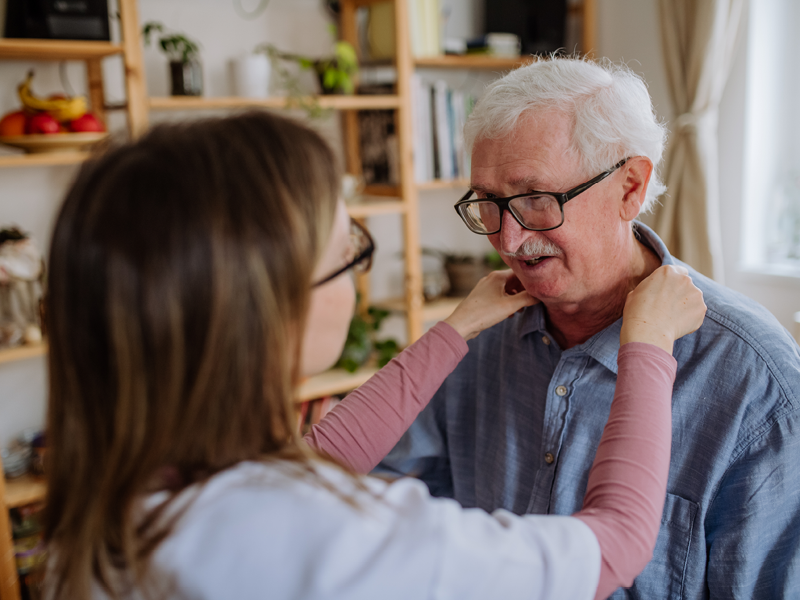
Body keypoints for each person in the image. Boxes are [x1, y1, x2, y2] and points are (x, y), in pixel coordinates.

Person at [42, 111, 704, 600]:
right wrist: (646, 348)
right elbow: (614, 544)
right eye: (348, 252)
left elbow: (310, 461)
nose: (507, 239)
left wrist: (455, 329)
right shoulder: (330, 537)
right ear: (274, 306)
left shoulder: (116, 504)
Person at [378, 56, 800, 598]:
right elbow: (376, 501)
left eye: (536, 199)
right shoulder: (474, 342)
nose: (507, 242)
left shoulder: (759, 385)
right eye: (488, 203)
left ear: (630, 186)